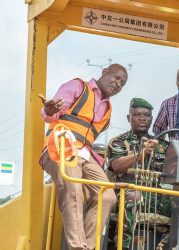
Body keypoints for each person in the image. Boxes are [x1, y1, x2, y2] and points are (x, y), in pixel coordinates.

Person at [39, 64, 128, 250]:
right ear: (104, 72)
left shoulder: (108, 109)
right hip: (61, 148)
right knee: (73, 189)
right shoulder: (78, 87)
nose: (118, 84)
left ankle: (88, 246)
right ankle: (77, 246)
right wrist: (48, 110)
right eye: (116, 77)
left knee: (108, 196)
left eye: (122, 83)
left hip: (86, 155)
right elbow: (51, 113)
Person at [106, 98, 170, 249]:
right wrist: (140, 154)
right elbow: (116, 166)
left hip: (156, 195)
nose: (142, 118)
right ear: (129, 118)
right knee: (133, 196)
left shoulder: (162, 145)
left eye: (147, 115)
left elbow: (177, 167)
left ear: (152, 119)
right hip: (127, 192)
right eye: (137, 115)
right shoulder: (119, 142)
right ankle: (124, 245)